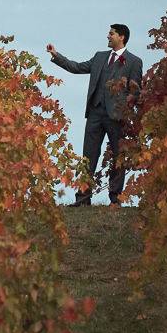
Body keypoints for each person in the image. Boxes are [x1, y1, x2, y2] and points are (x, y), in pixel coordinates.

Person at [47, 24, 142, 207]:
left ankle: (115, 200)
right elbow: (76, 67)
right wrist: (56, 56)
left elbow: (136, 91)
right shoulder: (99, 57)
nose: (108, 36)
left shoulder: (134, 62)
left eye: (111, 33)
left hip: (117, 117)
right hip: (95, 114)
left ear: (121, 37)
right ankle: (83, 198)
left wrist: (126, 110)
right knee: (88, 157)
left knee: (117, 158)